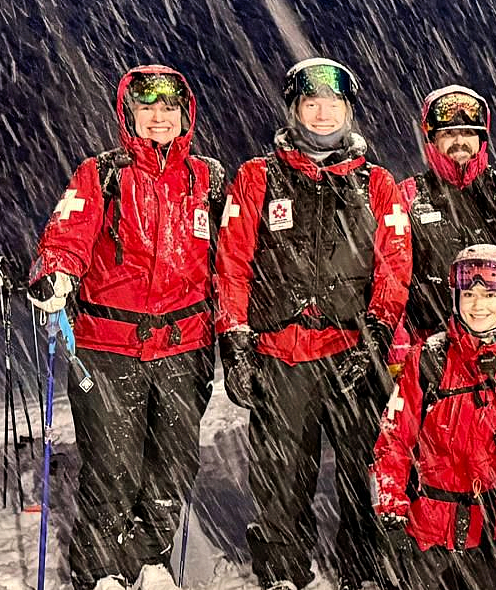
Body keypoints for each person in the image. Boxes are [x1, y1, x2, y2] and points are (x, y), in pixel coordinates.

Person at [216, 57, 411, 590]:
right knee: (281, 480)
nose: (322, 113)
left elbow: (395, 264)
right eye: (311, 102)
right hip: (281, 354)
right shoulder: (258, 177)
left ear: (348, 111)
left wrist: (375, 331)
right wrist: (235, 340)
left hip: (353, 352)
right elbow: (232, 262)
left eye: (333, 103)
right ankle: (284, 574)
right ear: (294, 109)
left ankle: (362, 573)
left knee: (362, 474)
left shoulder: (377, 182)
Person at [28, 65, 222, 590]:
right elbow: (67, 232)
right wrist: (56, 273)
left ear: (186, 116)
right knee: (113, 469)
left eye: (169, 108)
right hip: (109, 346)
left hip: (185, 348)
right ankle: (100, 572)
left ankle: (147, 560)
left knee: (173, 469)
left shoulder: (207, 179)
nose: (159, 117)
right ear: (129, 114)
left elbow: (235, 258)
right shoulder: (102, 173)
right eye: (147, 108)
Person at [372, 245, 496, 589]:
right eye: (469, 294)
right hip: (430, 532)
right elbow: (394, 439)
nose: (479, 306)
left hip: (494, 534)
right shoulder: (429, 359)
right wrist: (390, 512)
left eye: (491, 294)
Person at [401, 86, 496, 343]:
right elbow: (391, 273)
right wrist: (401, 343)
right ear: (431, 140)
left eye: (469, 133)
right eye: (448, 133)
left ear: (482, 139)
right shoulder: (408, 195)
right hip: (429, 342)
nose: (459, 142)